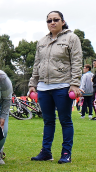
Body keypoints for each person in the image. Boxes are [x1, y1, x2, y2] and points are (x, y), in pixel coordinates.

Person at [28, 11, 82, 163]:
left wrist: (74, 84)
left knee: (65, 120)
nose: (52, 22)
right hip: (43, 87)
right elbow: (37, 64)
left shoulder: (72, 38)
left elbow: (77, 62)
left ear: (62, 22)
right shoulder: (42, 41)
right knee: (48, 121)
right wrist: (32, 84)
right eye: (49, 20)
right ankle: (46, 152)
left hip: (63, 85)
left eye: (55, 20)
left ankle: (66, 153)